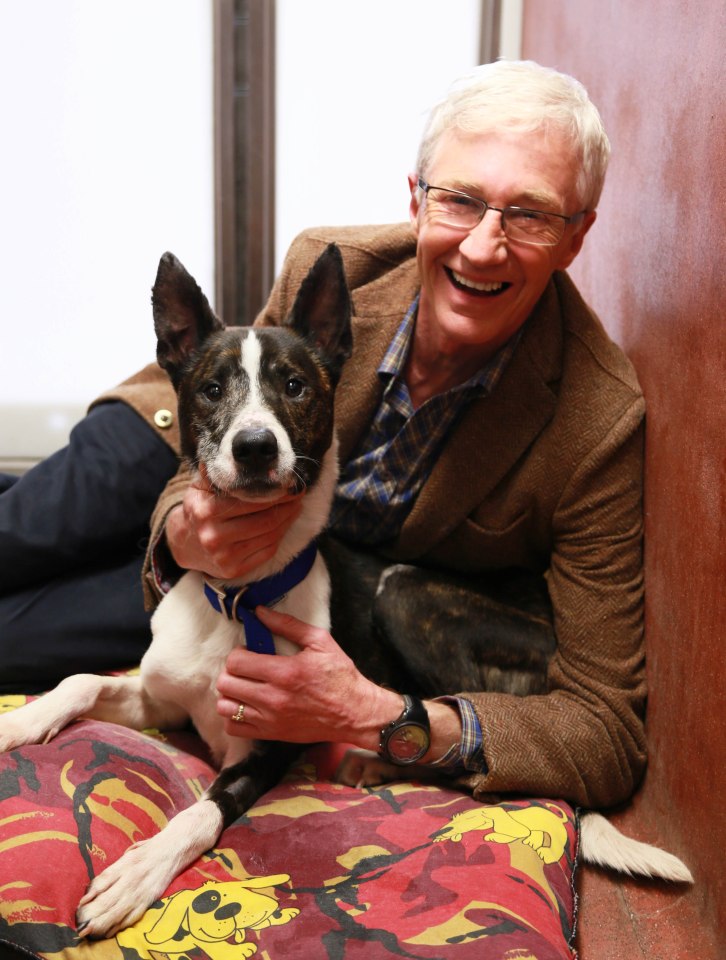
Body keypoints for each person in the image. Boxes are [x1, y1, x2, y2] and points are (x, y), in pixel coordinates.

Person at [0, 60, 646, 811]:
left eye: (529, 214)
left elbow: (607, 726)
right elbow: (234, 404)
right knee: (17, 534)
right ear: (416, 199)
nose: (481, 247)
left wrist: (389, 720)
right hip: (170, 442)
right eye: (460, 200)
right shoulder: (336, 265)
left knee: (15, 640)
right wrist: (179, 527)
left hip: (268, 572)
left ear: (576, 238)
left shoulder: (597, 421)